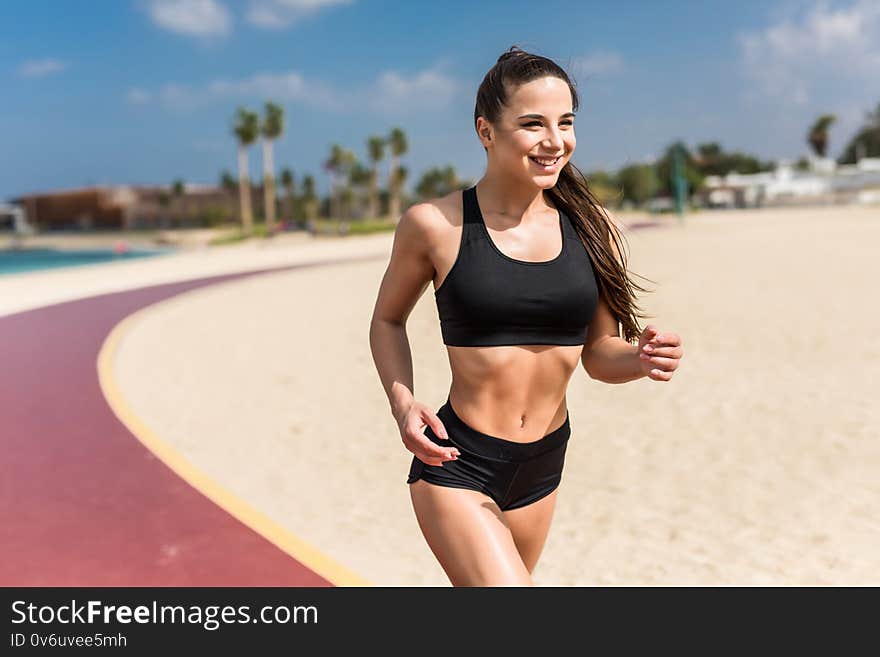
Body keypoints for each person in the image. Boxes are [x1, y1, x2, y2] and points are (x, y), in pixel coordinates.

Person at [368, 46, 683, 586]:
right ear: (485, 131)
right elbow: (387, 321)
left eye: (565, 122)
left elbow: (598, 356)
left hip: (543, 464)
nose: (554, 140)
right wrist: (403, 404)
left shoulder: (590, 228)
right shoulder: (435, 225)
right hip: (458, 460)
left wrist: (638, 357)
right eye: (532, 123)